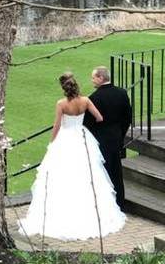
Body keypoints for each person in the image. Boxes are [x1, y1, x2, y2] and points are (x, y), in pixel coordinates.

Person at [17, 72, 126, 241]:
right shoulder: (85, 101)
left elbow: (57, 125)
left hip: (65, 138)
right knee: (88, 174)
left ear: (64, 88)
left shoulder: (61, 104)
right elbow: (99, 117)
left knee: (61, 174)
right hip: (82, 137)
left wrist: (52, 142)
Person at [83, 66, 132, 209]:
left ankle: (105, 204)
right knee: (116, 170)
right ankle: (119, 202)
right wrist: (121, 133)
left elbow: (88, 123)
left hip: (100, 140)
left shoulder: (94, 98)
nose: (92, 80)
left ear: (100, 78)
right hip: (116, 137)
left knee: (102, 171)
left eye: (93, 77)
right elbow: (127, 117)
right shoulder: (122, 93)